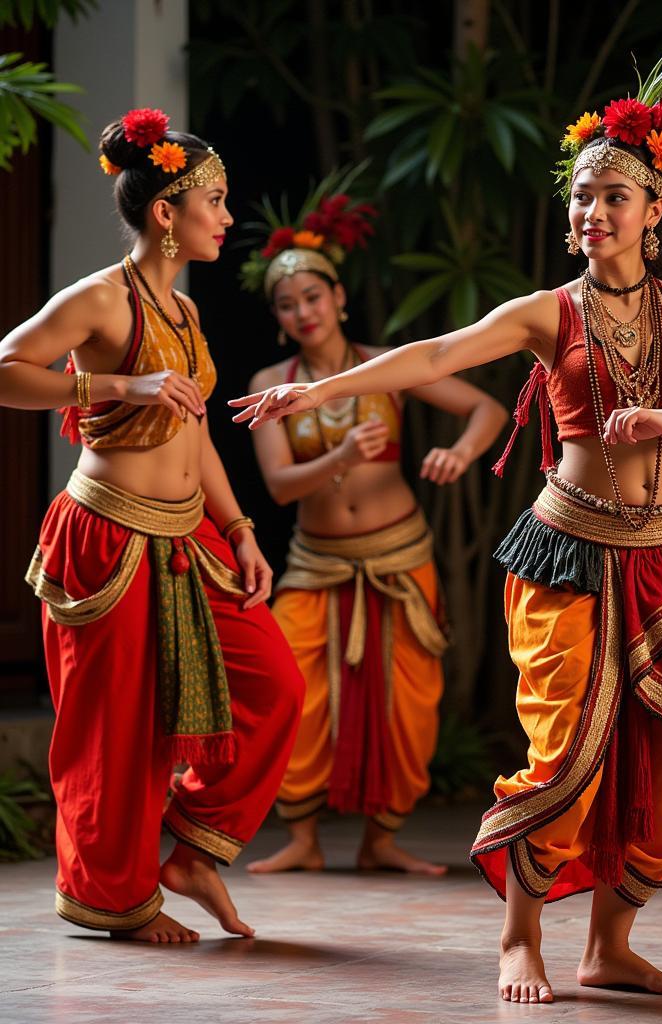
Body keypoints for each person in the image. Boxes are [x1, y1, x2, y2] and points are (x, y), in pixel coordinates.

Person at [230, 50, 662, 1003]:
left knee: (659, 754)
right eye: (580, 198)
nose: (590, 213)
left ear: (655, 212)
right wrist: (322, 386)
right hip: (571, 548)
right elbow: (433, 352)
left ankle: (611, 945)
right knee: (566, 746)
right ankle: (518, 938)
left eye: (613, 196)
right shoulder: (543, 313)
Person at [0, 108, 305, 943]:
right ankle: (116, 900)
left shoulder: (186, 315)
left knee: (276, 686)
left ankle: (194, 852)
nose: (228, 216)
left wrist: (240, 526)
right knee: (118, 727)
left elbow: (194, 426)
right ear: (165, 212)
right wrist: (111, 389)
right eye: (215, 199)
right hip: (107, 534)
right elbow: (4, 370)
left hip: (189, 535)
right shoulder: (98, 299)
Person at [237, 185, 508, 875]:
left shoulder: (384, 368)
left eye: (313, 297)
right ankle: (300, 837)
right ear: (277, 318)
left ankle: (381, 839)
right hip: (316, 559)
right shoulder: (272, 380)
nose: (303, 312)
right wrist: (340, 456)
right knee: (298, 692)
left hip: (399, 553)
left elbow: (486, 410)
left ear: (339, 299)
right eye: (288, 304)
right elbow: (277, 486)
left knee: (407, 699)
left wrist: (459, 452)